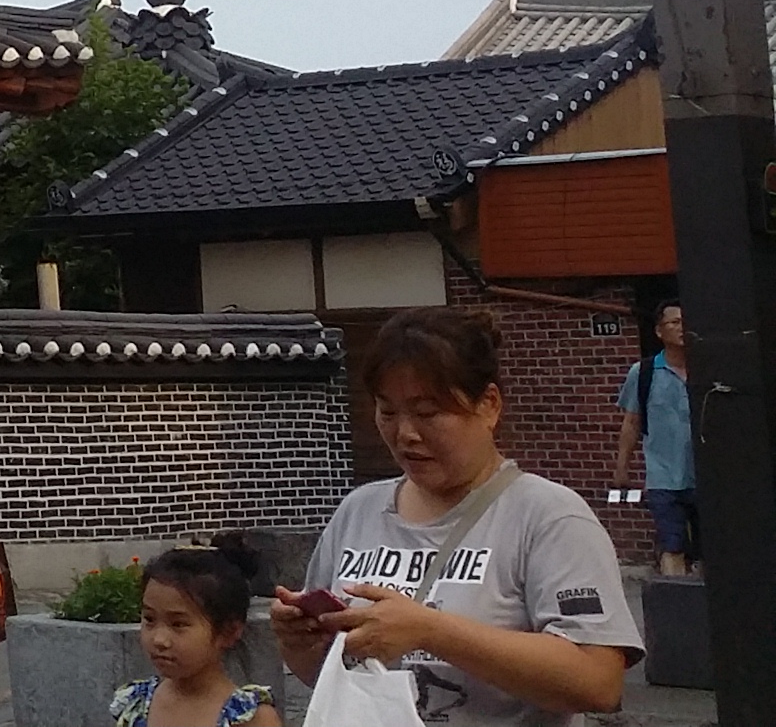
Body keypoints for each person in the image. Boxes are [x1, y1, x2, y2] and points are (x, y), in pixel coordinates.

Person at [272, 307, 641, 727]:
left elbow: (598, 682)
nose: (405, 433)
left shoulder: (549, 517)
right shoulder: (359, 510)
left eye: (427, 412)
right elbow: (329, 677)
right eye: (387, 412)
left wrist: (431, 631)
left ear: (489, 405)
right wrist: (300, 643)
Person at [111, 538, 278, 727]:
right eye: (149, 619)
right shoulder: (135, 704)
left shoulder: (251, 718)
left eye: (178, 624)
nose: (159, 639)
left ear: (228, 631)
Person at [606, 298, 695, 576]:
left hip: (705, 476)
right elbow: (631, 422)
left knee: (710, 549)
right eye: (675, 322)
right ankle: (676, 598)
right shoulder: (643, 373)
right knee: (672, 546)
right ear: (659, 331)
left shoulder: (707, 369)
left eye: (686, 322)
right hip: (663, 477)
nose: (682, 328)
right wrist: (622, 467)